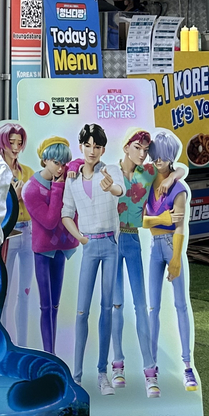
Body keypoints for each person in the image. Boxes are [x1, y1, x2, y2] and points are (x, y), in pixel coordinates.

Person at [59, 125, 123, 395]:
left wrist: (112, 188)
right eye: (88, 145)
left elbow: (119, 189)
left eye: (97, 146)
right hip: (89, 247)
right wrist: (79, 237)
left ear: (103, 149)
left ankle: (102, 373)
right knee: (82, 311)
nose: (93, 150)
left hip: (110, 245)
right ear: (81, 146)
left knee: (106, 308)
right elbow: (65, 213)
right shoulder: (71, 179)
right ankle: (76, 376)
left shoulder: (110, 170)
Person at [141, 131, 195, 394]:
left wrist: (176, 257)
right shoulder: (149, 180)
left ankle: (187, 366)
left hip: (172, 245)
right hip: (154, 247)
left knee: (180, 305)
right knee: (153, 307)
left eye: (163, 157)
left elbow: (180, 224)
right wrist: (162, 218)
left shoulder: (179, 186)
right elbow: (141, 221)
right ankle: (151, 366)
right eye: (156, 156)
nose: (158, 161)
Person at [106, 128, 156, 396]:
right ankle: (118, 364)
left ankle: (150, 370)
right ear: (126, 147)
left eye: (145, 149)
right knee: (116, 305)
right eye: (137, 147)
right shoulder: (110, 171)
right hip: (112, 241)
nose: (142, 153)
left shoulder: (147, 174)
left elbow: (177, 171)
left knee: (140, 304)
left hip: (133, 239)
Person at [20, 139, 75, 354]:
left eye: (64, 163)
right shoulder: (31, 189)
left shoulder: (63, 174)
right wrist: (59, 187)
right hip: (43, 250)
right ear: (44, 160)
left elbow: (79, 164)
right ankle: (49, 353)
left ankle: (52, 353)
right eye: (56, 162)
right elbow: (51, 221)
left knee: (55, 306)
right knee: (46, 305)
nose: (61, 168)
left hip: (61, 248)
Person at [0, 122, 34, 346]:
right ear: (2, 143)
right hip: (7, 234)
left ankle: (22, 343)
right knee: (4, 292)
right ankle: (4, 343)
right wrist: (14, 200)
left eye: (19, 142)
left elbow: (38, 203)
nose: (16, 147)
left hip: (29, 232)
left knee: (25, 292)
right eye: (11, 142)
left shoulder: (27, 172)